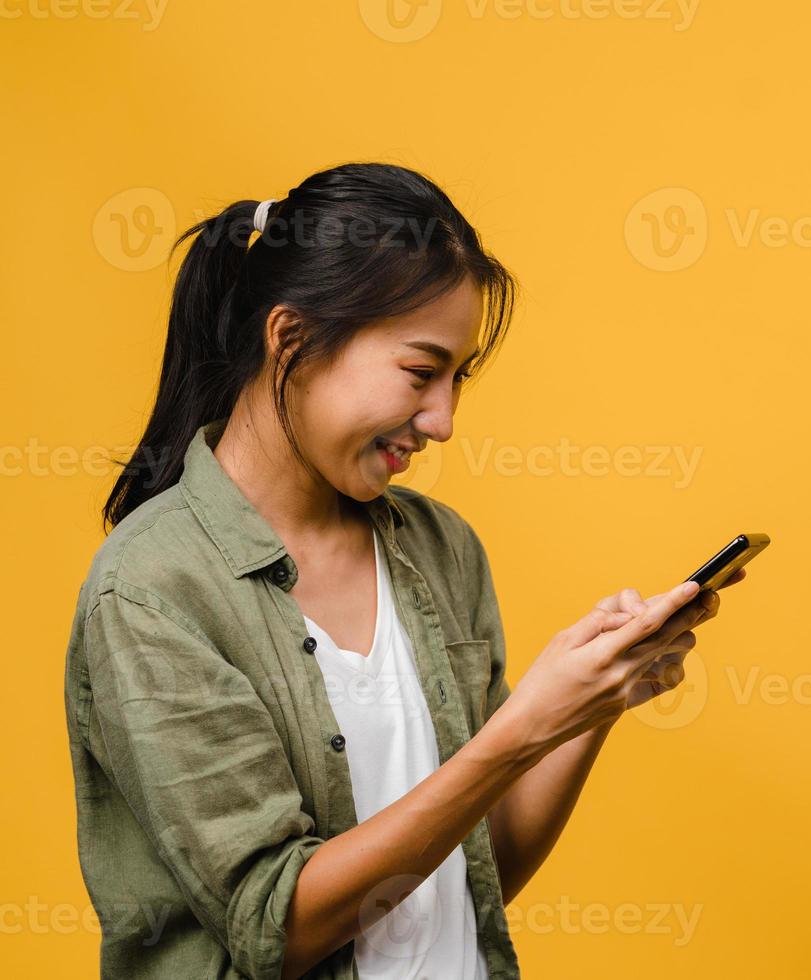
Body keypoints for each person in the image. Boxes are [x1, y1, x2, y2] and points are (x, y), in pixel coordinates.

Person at [62, 161, 743, 979]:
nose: (444, 420)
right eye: (422, 373)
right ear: (292, 339)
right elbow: (275, 927)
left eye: (457, 379)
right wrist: (518, 730)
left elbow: (471, 874)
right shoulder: (152, 590)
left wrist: (591, 705)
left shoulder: (440, 548)